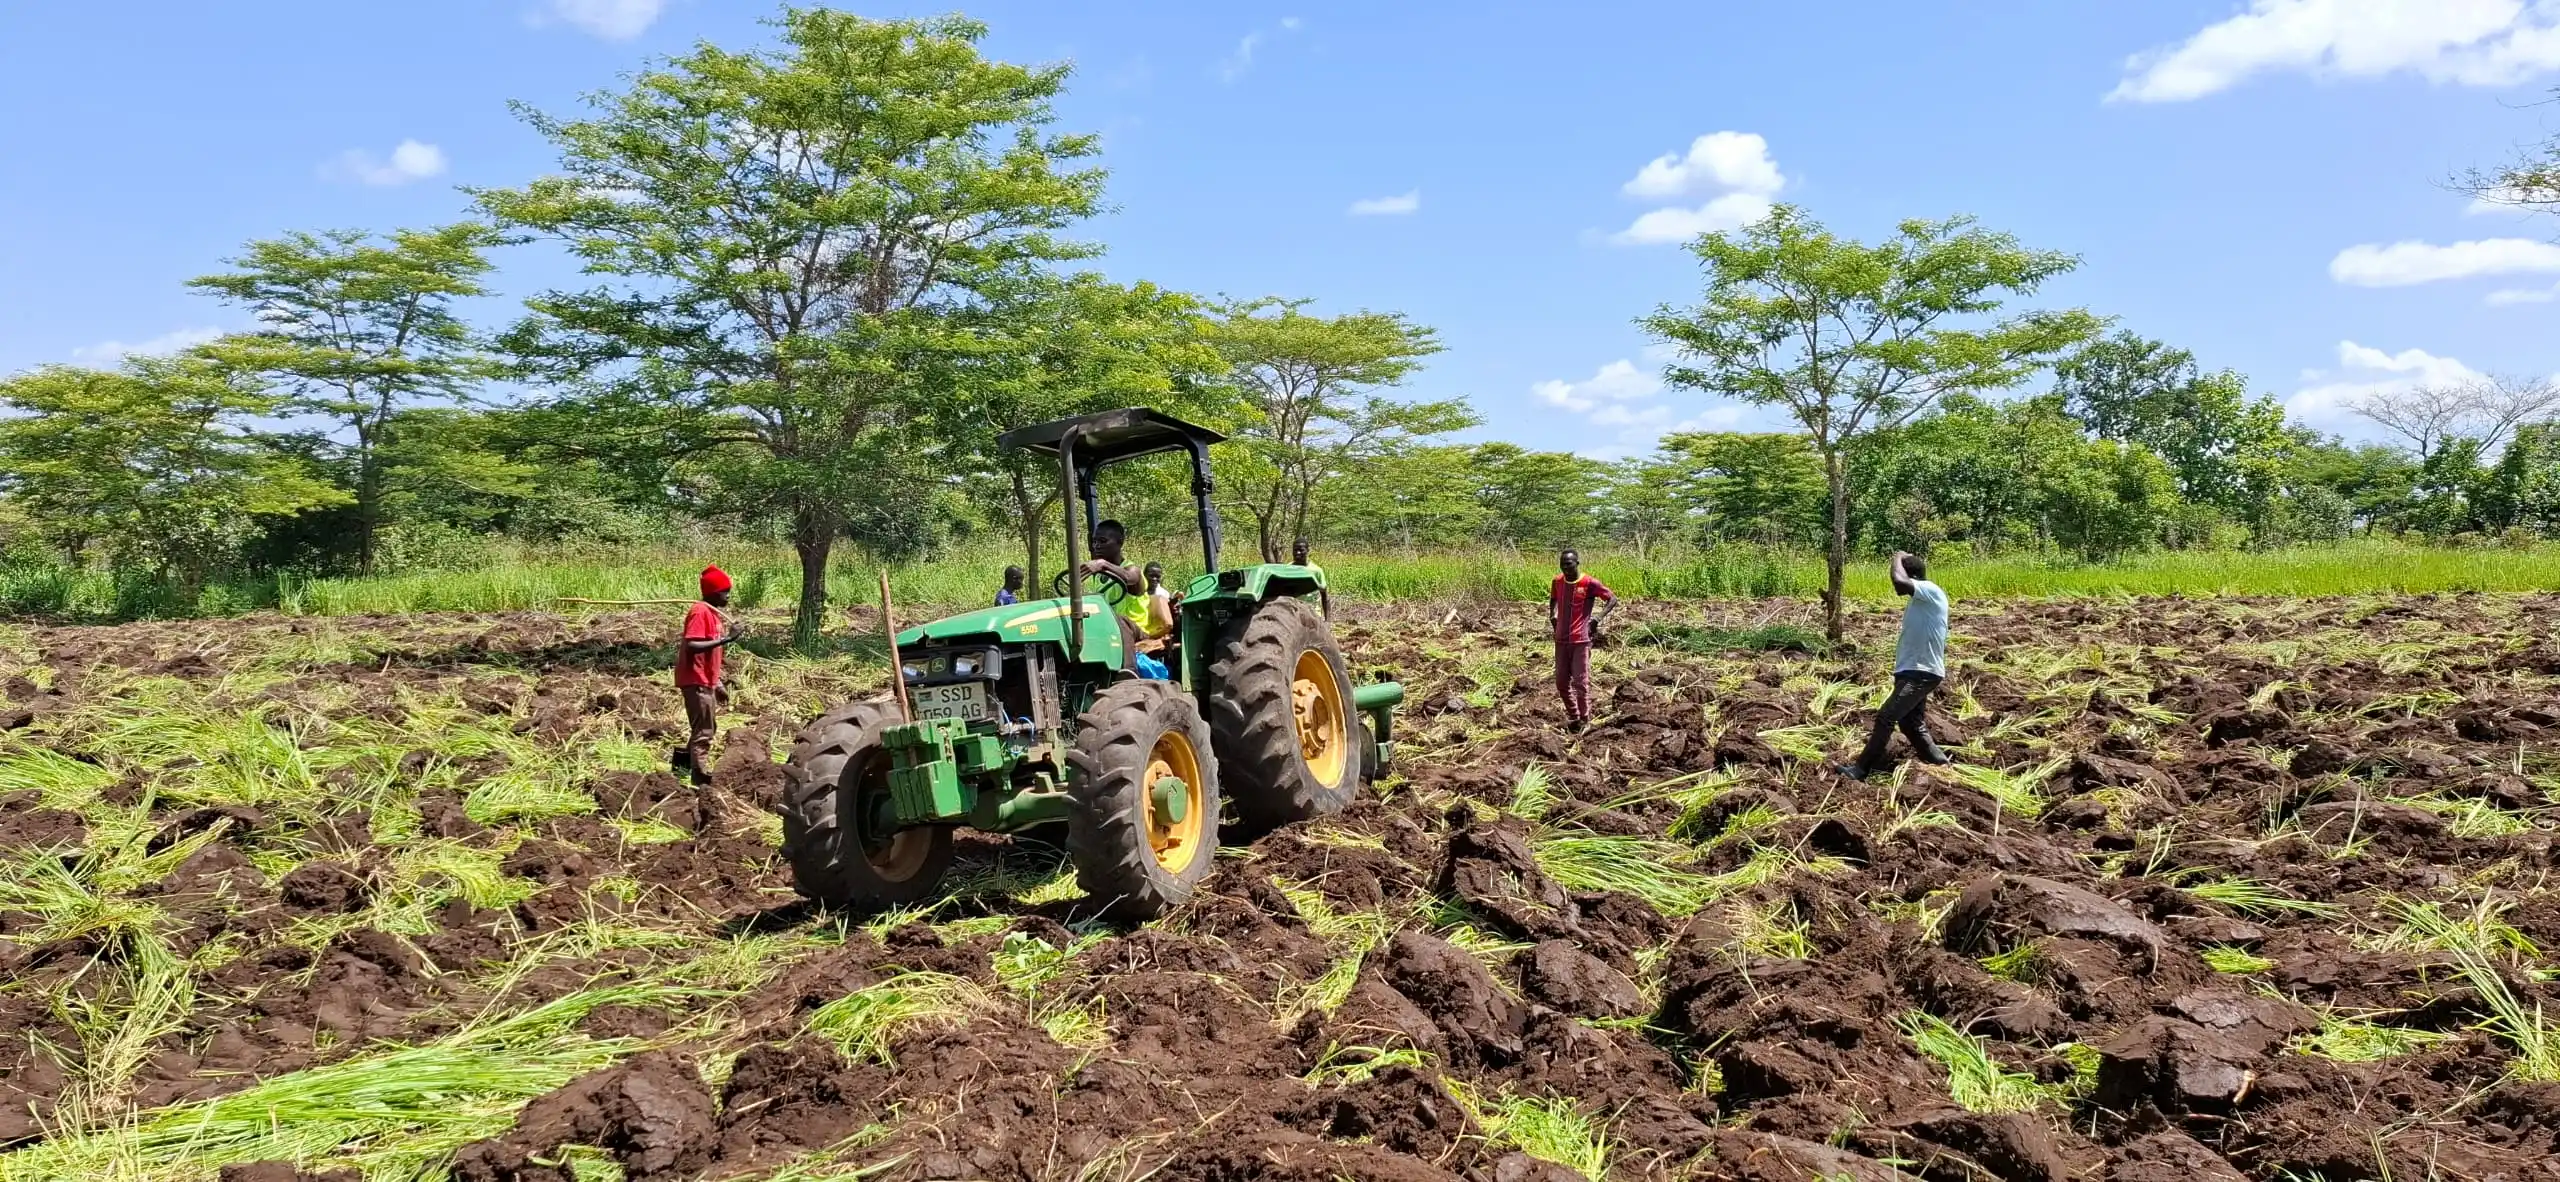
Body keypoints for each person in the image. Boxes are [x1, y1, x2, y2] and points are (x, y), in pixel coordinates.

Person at [1839, 551, 1953, 781]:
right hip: (1913, 670)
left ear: (1911, 575)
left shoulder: (1930, 590)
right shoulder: (1920, 600)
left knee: (1886, 716)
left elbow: (1900, 583)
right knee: (1911, 724)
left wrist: (1896, 557)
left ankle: (1861, 769)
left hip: (1921, 672)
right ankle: (1940, 765)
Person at [675, 565, 745, 785]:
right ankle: (700, 779)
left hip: (706, 680)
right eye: (725, 591)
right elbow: (693, 645)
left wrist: (718, 682)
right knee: (705, 730)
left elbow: (711, 655)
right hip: (695, 679)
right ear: (714, 592)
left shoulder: (714, 614)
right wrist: (728, 639)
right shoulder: (700, 611)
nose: (728, 595)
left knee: (706, 726)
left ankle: (680, 767)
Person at [1080, 520, 1166, 680]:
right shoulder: (1099, 577)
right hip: (1108, 629)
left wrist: (1102, 564)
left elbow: (1130, 578)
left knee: (1118, 619)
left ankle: (1129, 672)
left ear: (1120, 543)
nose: (1097, 545)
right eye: (1095, 541)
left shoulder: (1133, 570)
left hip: (1136, 631)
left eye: (1103, 541)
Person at [1548, 548, 1615, 729]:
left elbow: (1612, 599)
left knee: (1580, 682)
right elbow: (1553, 599)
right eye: (1562, 565)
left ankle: (1585, 720)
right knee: (1561, 683)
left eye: (1569, 564)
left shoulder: (1589, 583)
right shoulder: (1557, 581)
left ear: (1577, 563)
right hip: (1561, 640)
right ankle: (1574, 715)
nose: (1565, 568)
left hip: (1581, 640)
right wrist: (1552, 614)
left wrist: (1597, 619)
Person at [1293, 537, 1332, 617]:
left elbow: (1324, 596)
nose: (1298, 553)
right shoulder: (1287, 570)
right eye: (1295, 550)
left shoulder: (1316, 571)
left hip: (1313, 614)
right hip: (1294, 613)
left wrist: (1327, 619)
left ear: (1308, 551)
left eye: (1301, 550)